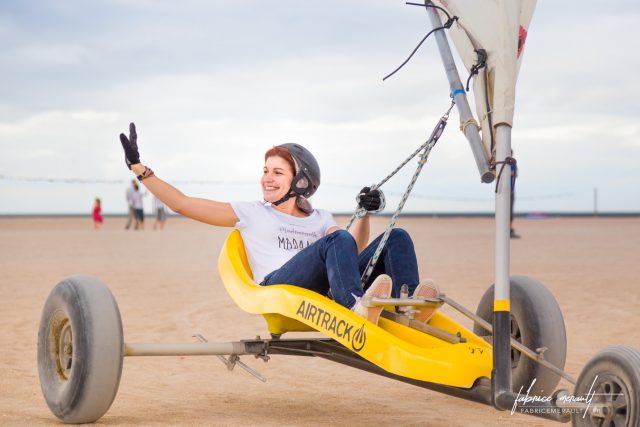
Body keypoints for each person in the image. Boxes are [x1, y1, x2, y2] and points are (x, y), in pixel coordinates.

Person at [119, 122, 439, 324]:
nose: (266, 178)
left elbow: (351, 251)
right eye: (265, 170)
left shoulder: (319, 218)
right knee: (336, 239)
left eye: (277, 172)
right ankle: (355, 308)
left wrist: (364, 213)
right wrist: (141, 170)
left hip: (328, 283)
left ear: (300, 182)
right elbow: (182, 204)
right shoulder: (251, 213)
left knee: (395, 236)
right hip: (280, 286)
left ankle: (407, 307)